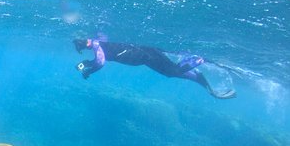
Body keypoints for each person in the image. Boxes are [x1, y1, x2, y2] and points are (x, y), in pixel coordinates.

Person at [73, 38, 236, 99]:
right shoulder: (99, 44)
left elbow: (100, 62)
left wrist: (89, 70)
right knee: (171, 73)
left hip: (146, 56)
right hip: (146, 55)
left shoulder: (96, 45)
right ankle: (198, 77)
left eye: (82, 47)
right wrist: (87, 64)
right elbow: (99, 58)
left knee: (173, 71)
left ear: (85, 44)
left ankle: (197, 60)